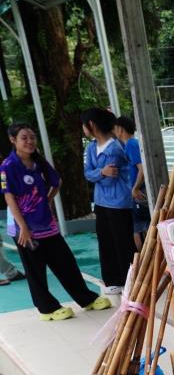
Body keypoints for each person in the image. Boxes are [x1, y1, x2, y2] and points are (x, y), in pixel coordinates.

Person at [2, 122, 110, 320]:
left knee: (65, 261)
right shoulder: (7, 167)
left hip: (46, 223)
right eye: (24, 138)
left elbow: (57, 182)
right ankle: (47, 309)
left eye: (32, 137)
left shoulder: (38, 161)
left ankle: (86, 299)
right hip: (24, 227)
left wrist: (47, 200)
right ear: (13, 140)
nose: (29, 141)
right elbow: (8, 197)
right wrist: (23, 227)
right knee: (35, 269)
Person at [82, 107, 135, 294]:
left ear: (91, 124)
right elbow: (87, 174)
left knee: (122, 242)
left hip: (118, 202)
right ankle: (112, 280)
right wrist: (101, 172)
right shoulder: (91, 147)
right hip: (101, 202)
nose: (83, 128)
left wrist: (99, 174)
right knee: (105, 241)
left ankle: (129, 280)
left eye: (84, 125)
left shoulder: (114, 148)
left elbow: (109, 178)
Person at [114, 115, 149, 248]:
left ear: (121, 129)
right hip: (137, 190)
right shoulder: (130, 144)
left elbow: (142, 169)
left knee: (138, 228)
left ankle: (141, 256)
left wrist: (135, 188)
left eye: (115, 128)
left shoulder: (131, 144)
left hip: (139, 191)